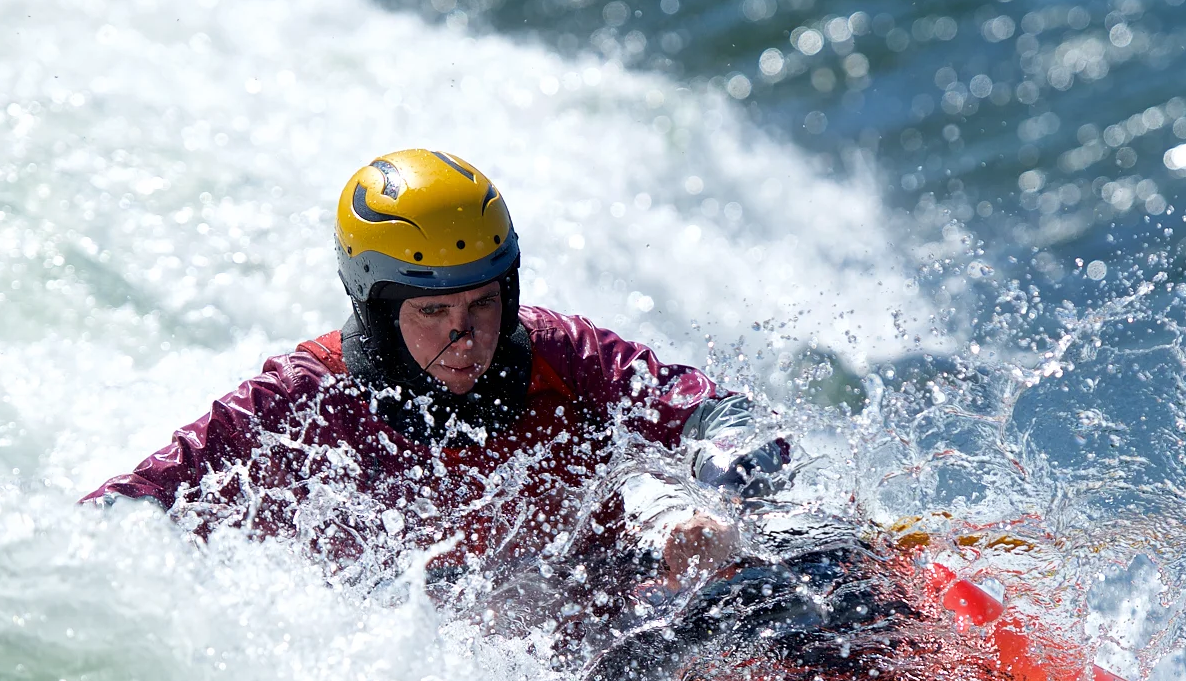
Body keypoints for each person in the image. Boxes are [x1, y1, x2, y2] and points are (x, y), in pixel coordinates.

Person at [86, 148, 789, 617]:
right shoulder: (299, 406)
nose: (467, 335)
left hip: (612, 625)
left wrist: (725, 487)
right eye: (432, 312)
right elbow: (123, 515)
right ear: (378, 308)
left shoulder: (564, 355)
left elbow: (721, 416)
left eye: (483, 302)